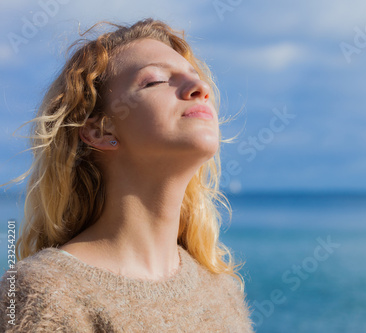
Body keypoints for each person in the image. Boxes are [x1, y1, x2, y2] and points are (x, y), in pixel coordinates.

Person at [0, 18, 255, 332]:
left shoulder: (222, 292)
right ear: (100, 129)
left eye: (195, 77)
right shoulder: (48, 292)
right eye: (155, 80)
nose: (200, 89)